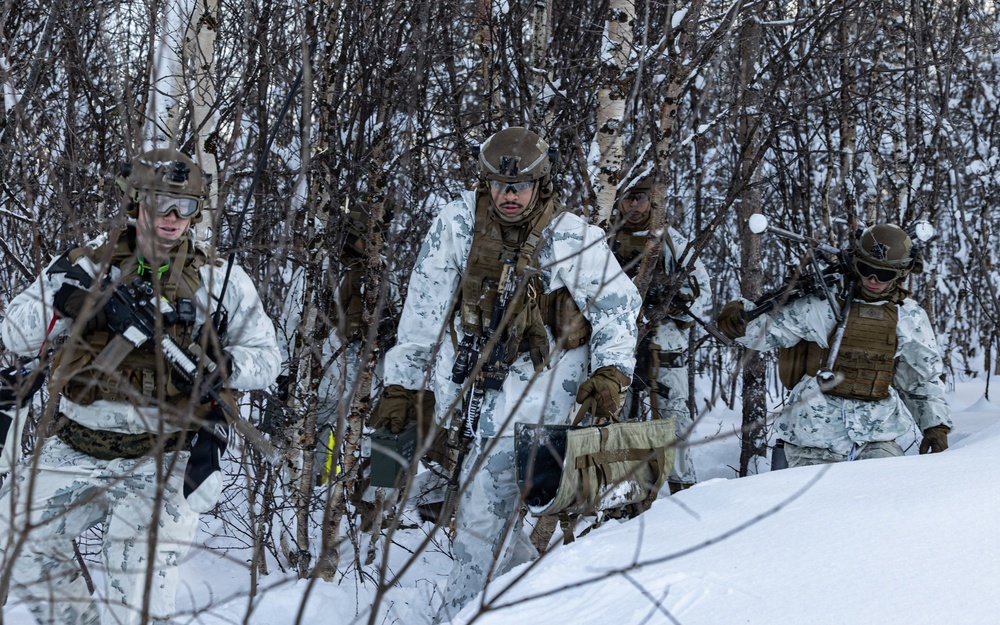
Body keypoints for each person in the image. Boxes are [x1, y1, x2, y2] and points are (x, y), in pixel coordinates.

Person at [0, 147, 280, 625]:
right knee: (14, 535)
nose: (172, 218)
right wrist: (70, 304)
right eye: (160, 204)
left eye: (185, 207)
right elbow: (14, 333)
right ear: (135, 204)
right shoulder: (89, 263)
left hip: (165, 456)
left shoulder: (218, 278)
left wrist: (227, 367)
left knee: (134, 586)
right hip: (75, 446)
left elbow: (268, 358)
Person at [374, 127, 641, 622]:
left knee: (482, 522)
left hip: (548, 399)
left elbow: (618, 309)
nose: (509, 195)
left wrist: (611, 374)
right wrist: (401, 386)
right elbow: (422, 313)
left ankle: (465, 616)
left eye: (519, 186)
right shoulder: (458, 223)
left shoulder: (570, 236)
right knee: (489, 519)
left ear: (540, 183)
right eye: (499, 184)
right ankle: (533, 608)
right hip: (473, 394)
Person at [716, 222, 952, 467]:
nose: (872, 280)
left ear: (900, 274)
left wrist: (935, 426)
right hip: (814, 439)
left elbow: (921, 379)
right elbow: (770, 331)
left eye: (884, 275)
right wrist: (738, 319)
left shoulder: (909, 317)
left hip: (877, 438)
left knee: (887, 491)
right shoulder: (822, 303)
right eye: (866, 269)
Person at [610, 175, 711, 493]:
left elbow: (702, 293)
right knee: (615, 421)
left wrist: (669, 297)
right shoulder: (604, 238)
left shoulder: (671, 241)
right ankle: (621, 495)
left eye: (641, 197)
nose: (634, 204)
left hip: (663, 349)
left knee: (673, 421)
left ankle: (684, 491)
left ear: (653, 200)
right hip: (617, 347)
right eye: (628, 197)